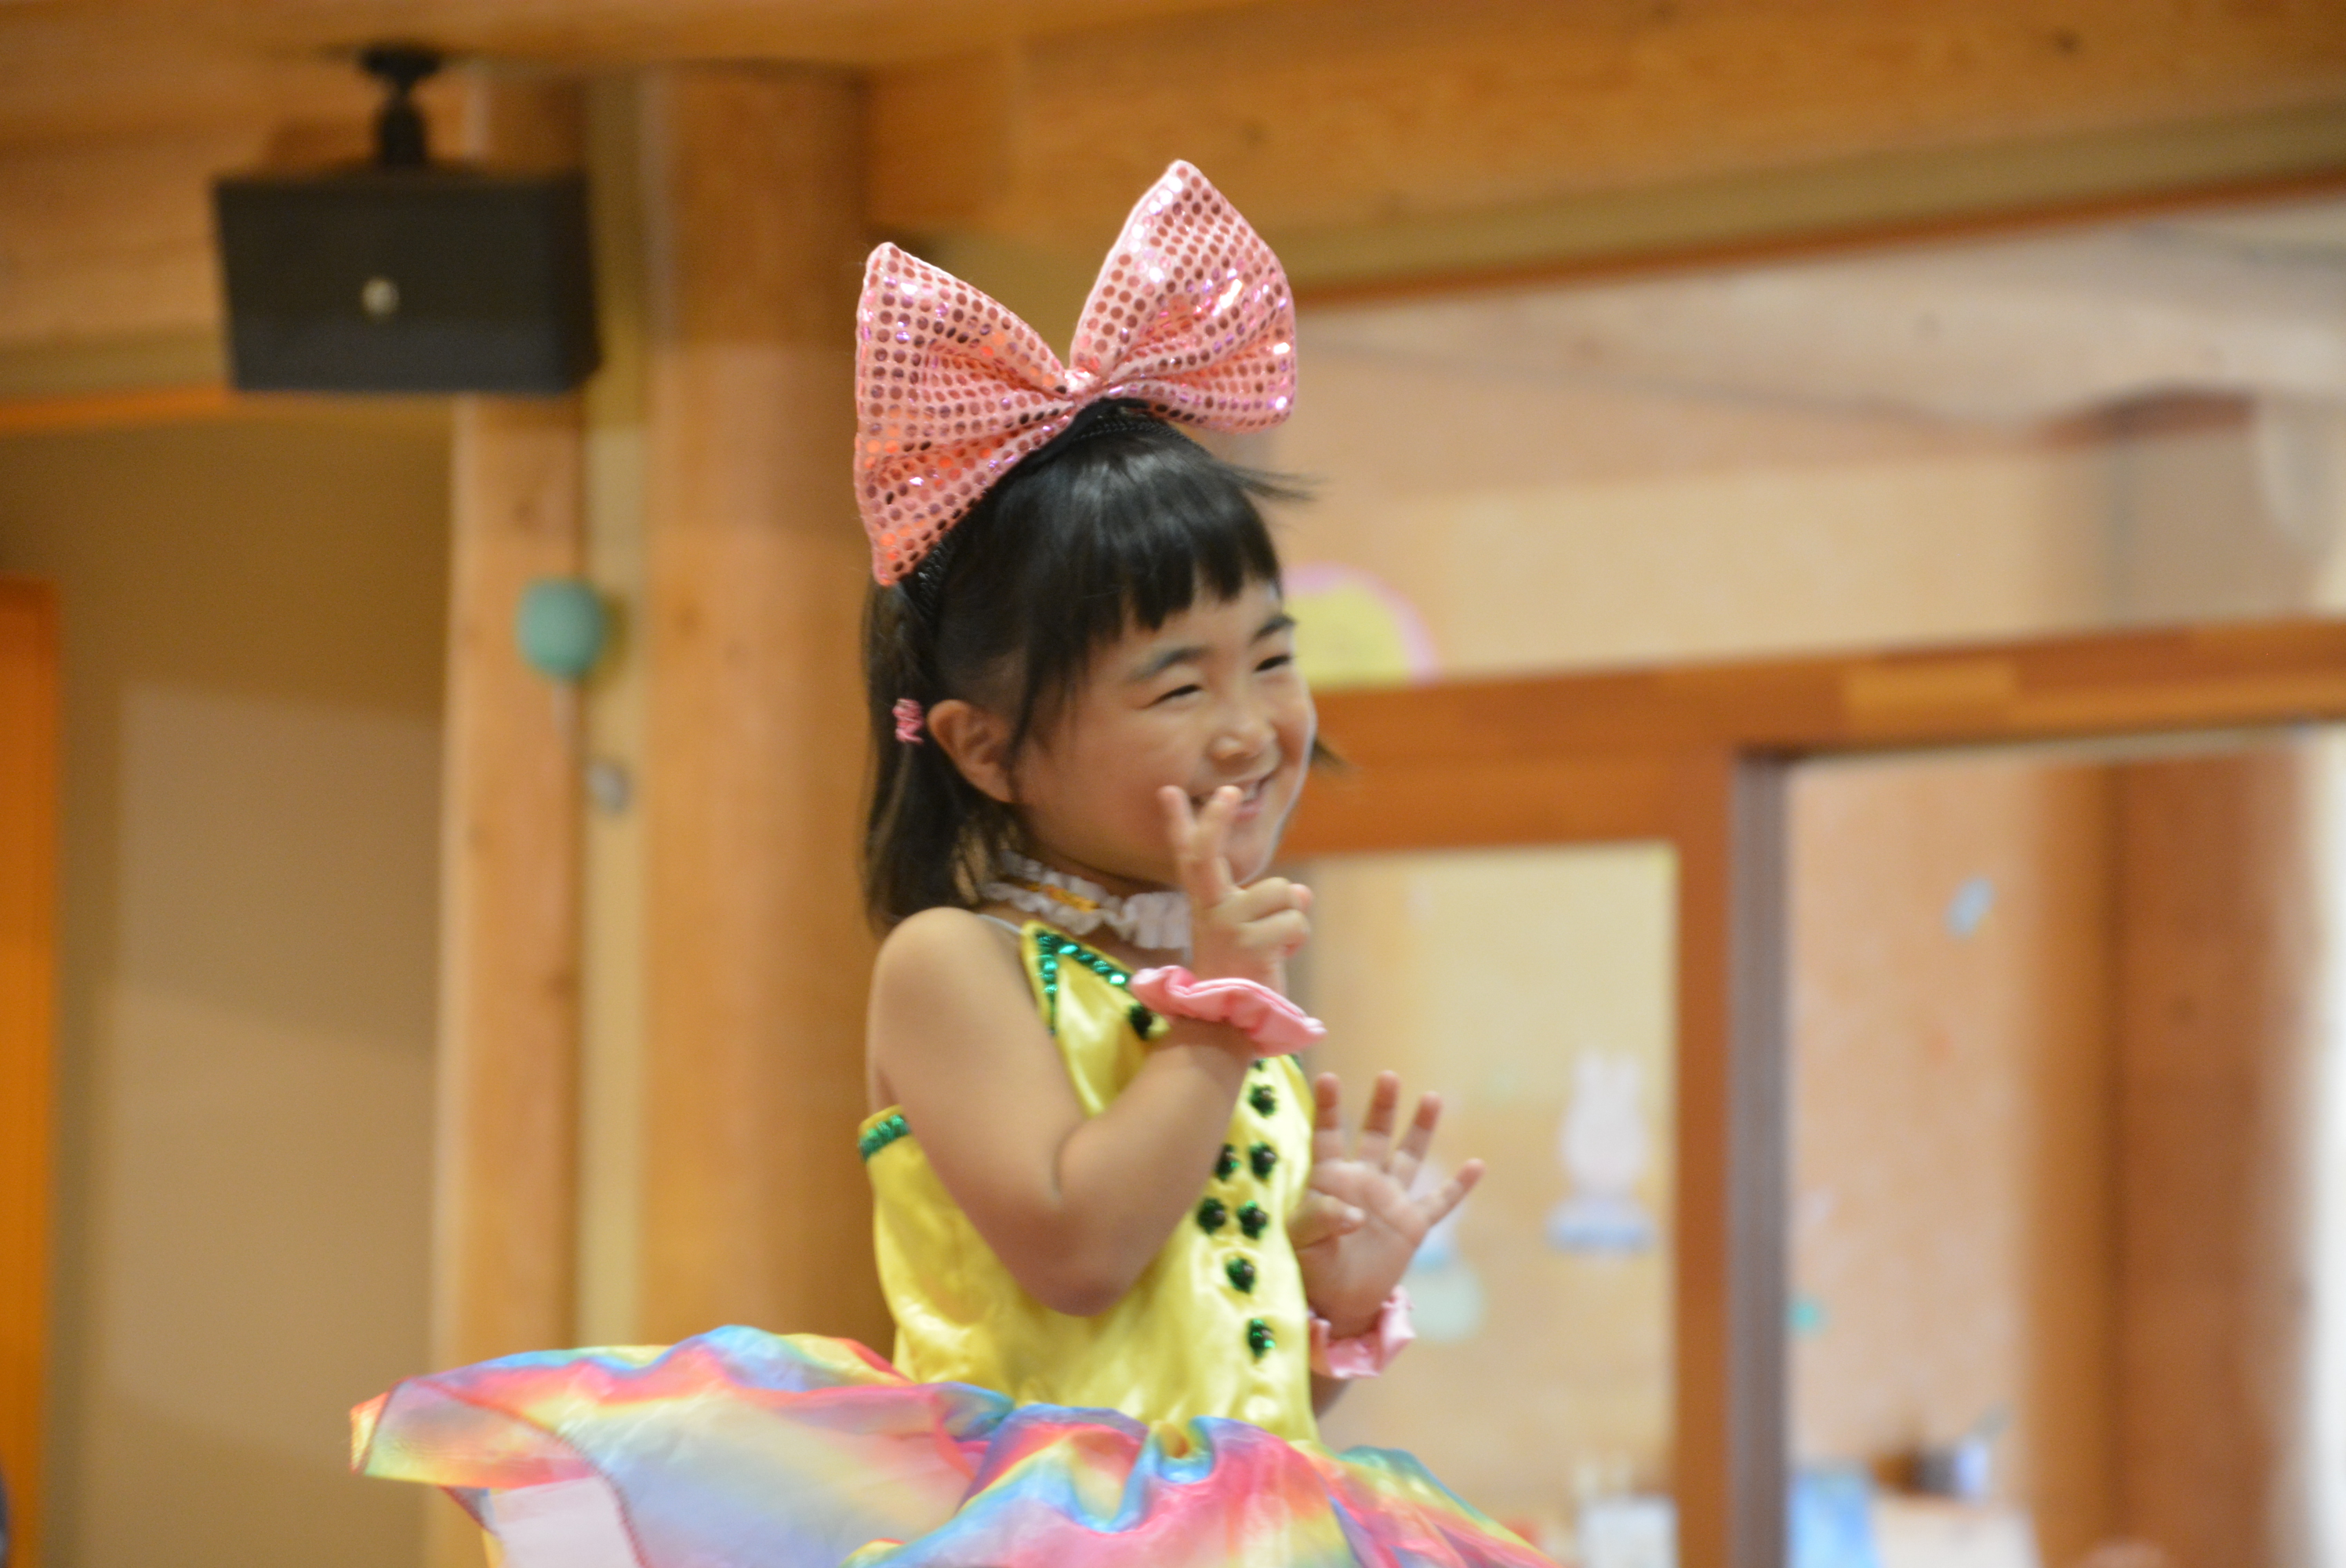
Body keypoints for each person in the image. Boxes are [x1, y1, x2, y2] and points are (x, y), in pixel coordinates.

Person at [354, 161, 1551, 1568]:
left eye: (1272, 660)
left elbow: (1222, 1404)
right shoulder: (958, 963)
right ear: (986, 749)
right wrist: (1220, 1021)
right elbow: (1077, 1252)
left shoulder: (1204, 1009)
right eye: (1179, 686)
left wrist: (1331, 1303)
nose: (1251, 726)